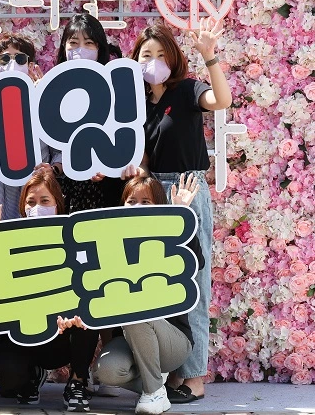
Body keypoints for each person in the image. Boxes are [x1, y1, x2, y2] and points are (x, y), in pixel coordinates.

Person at [129, 20, 232, 402]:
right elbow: (143, 157)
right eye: (146, 55)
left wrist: (210, 56)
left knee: (194, 282)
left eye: (161, 54)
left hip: (187, 188)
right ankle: (174, 372)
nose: (153, 61)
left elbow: (221, 100)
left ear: (173, 59)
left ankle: (194, 378)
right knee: (162, 284)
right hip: (154, 193)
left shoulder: (188, 90)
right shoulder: (137, 104)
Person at [0, 171, 98, 412]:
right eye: (31, 202)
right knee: (10, 381)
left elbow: (87, 283)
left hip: (61, 335)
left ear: (57, 204)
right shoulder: (8, 238)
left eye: (45, 201)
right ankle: (30, 377)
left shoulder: (74, 239)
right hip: (21, 334)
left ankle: (78, 381)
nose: (37, 207)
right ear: (22, 206)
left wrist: (70, 316)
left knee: (90, 310)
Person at [94, 174, 203, 415]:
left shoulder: (169, 234)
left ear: (158, 206)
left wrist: (180, 214)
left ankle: (153, 393)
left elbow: (197, 262)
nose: (137, 207)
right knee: (107, 371)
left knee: (136, 311)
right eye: (131, 201)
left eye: (146, 202)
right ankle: (156, 385)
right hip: (130, 339)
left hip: (172, 340)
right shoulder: (111, 243)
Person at [0, 33, 61, 232]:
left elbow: (60, 150)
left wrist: (54, 169)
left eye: (20, 58)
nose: (12, 64)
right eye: (5, 58)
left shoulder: (42, 104)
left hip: (34, 191)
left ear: (30, 65)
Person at [54, 12, 125, 213]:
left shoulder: (114, 86)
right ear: (64, 47)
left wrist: (107, 165)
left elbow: (123, 134)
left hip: (107, 185)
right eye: (73, 43)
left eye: (88, 43)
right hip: (67, 185)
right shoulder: (54, 89)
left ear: (99, 48)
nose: (80, 49)